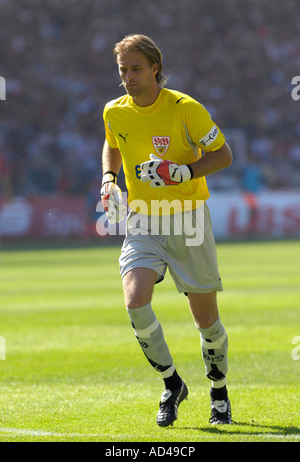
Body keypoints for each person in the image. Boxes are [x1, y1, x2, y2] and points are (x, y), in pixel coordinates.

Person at [101, 34, 233, 427]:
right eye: (123, 70)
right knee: (135, 299)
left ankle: (219, 392)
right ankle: (171, 384)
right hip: (142, 219)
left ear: (155, 67)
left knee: (206, 320)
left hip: (188, 218)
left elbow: (224, 155)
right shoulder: (114, 111)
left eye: (136, 69)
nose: (129, 77)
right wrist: (108, 179)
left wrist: (185, 171)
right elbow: (113, 144)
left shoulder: (185, 108)